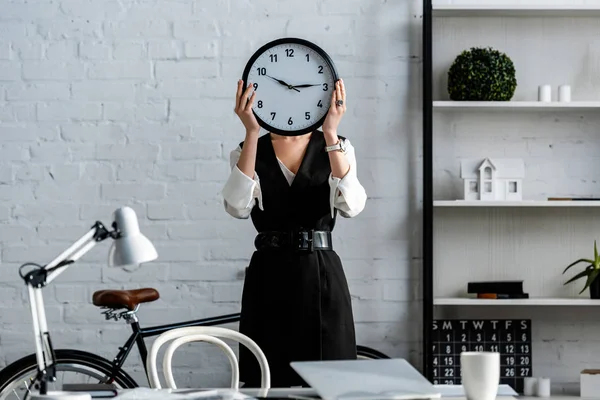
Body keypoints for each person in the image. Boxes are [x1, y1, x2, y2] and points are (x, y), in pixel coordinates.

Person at [221, 77, 367, 388]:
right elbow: (236, 206)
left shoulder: (337, 145)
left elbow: (352, 206)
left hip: (321, 274)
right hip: (269, 276)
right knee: (267, 379)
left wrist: (329, 133)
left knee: (331, 383)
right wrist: (251, 132)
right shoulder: (248, 149)